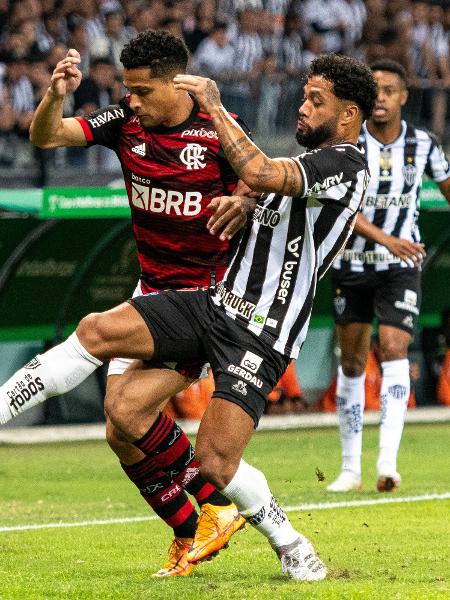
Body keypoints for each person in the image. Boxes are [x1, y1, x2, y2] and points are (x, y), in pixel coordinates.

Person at [0, 53, 377, 581]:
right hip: (213, 301)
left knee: (216, 463)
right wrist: (246, 206)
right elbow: (265, 189)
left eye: (317, 101)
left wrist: (216, 108)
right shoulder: (308, 158)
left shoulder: (348, 163)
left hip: (262, 331)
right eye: (305, 95)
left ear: (348, 115)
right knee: (107, 363)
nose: (302, 106)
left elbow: (258, 171)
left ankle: (291, 543)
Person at [27, 30, 255, 577]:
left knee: (126, 409)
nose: (133, 101)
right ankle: (189, 528)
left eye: (144, 91)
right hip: (149, 294)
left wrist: (242, 202)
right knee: (119, 431)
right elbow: (46, 137)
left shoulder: (216, 125)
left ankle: (222, 507)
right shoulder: (123, 121)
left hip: (204, 301)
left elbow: (257, 179)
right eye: (128, 90)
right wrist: (55, 95)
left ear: (178, 84)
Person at [327, 59, 450, 494]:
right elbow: (342, 207)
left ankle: (387, 463)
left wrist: (397, 244)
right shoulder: (347, 144)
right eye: (373, 89)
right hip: (353, 264)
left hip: (401, 268)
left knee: (395, 347)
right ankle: (349, 468)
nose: (380, 97)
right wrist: (386, 238)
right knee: (352, 361)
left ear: (402, 97)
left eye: (388, 89)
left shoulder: (424, 144)